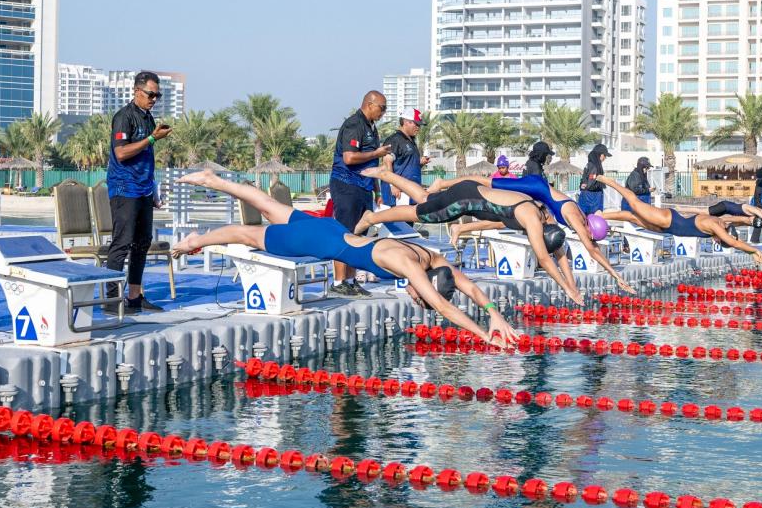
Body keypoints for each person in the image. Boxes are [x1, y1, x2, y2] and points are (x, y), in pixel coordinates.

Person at [172, 172, 519, 347]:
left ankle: (212, 180)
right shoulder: (411, 267)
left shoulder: (432, 257)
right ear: (423, 289)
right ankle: (196, 241)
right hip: (319, 242)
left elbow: (469, 287)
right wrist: (482, 335)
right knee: (248, 235)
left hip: (331, 229)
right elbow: (445, 308)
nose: (415, 297)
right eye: (420, 296)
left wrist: (494, 316)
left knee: (267, 205)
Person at [359, 157, 583, 303]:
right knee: (418, 213)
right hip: (464, 200)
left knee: (425, 198)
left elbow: (558, 253)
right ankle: (372, 217)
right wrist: (565, 288)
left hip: (470, 193)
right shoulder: (532, 220)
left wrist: (572, 286)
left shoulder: (542, 212)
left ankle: (386, 175)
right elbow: (545, 258)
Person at [483, 171, 635, 293]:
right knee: (487, 183)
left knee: (555, 243)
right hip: (535, 186)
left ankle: (571, 284)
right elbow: (592, 250)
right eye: (592, 237)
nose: (590, 240)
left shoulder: (582, 219)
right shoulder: (576, 219)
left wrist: (571, 286)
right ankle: (461, 183)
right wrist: (615, 275)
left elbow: (561, 252)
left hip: (541, 199)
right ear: (590, 229)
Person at [105, 71, 172, 312]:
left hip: (143, 188)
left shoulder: (148, 118)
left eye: (158, 95)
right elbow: (122, 153)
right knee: (122, 243)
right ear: (137, 91)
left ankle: (134, 296)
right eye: (150, 94)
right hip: (124, 187)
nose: (154, 99)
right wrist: (153, 139)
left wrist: (153, 189)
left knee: (143, 242)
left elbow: (147, 156)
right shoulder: (123, 117)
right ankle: (112, 299)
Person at [596, 175, 762, 264]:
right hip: (668, 220)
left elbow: (740, 221)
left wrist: (751, 220)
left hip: (666, 228)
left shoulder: (724, 222)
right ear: (719, 238)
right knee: (634, 204)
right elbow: (735, 243)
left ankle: (602, 215)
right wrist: (754, 251)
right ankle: (611, 182)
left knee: (632, 218)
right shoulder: (717, 228)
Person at [329, 91, 391, 296]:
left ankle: (351, 279)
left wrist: (376, 190)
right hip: (347, 185)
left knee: (360, 234)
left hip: (364, 187)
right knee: (345, 232)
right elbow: (349, 158)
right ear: (369, 104)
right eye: (382, 108)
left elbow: (371, 164)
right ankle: (338, 282)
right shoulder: (354, 124)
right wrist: (376, 153)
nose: (384, 112)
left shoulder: (371, 127)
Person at [378, 109, 428, 207]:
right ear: (406, 122)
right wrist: (394, 185)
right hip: (398, 193)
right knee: (397, 221)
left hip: (410, 192)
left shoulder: (411, 141)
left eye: (419, 125)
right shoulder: (395, 140)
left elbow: (407, 166)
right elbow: (387, 162)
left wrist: (420, 163)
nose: (418, 128)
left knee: (408, 221)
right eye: (416, 124)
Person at [577, 143, 610, 217]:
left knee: (584, 217)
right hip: (592, 197)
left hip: (586, 195)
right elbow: (591, 183)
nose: (605, 158)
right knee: (594, 217)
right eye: (605, 155)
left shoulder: (590, 164)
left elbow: (585, 182)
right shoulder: (595, 166)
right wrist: (602, 182)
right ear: (600, 155)